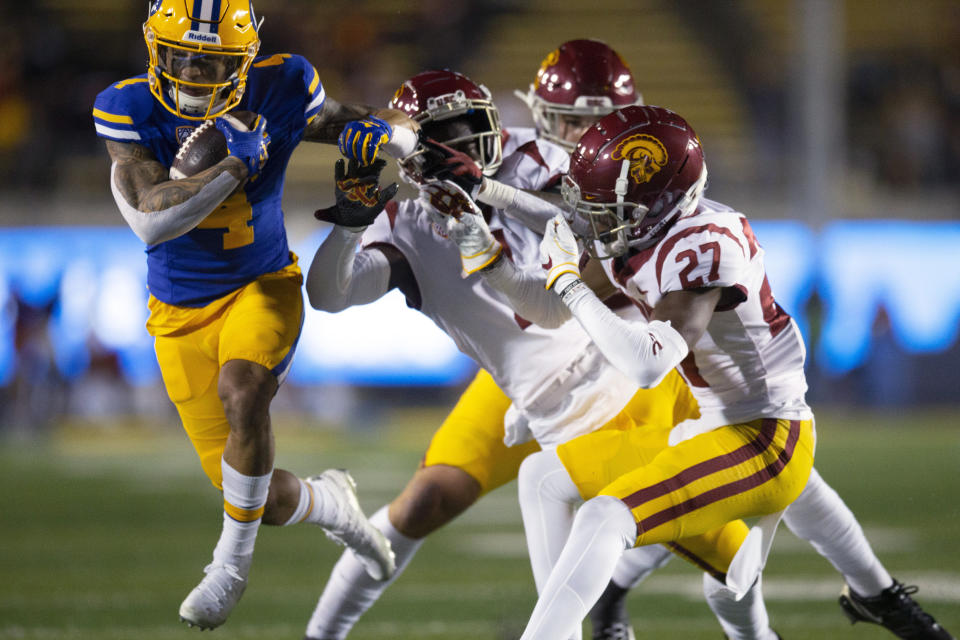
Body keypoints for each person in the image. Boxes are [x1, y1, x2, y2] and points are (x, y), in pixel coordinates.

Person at [440, 103, 954, 640]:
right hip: (705, 418)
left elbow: (646, 363)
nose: (592, 220)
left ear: (658, 204)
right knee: (543, 477)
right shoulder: (645, 227)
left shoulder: (700, 248)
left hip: (762, 434)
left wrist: (567, 278)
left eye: (606, 208)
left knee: (607, 518)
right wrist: (488, 209)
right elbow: (556, 273)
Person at [303, 69, 776, 640]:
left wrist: (485, 187)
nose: (456, 142)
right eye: (439, 133)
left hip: (618, 370)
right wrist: (351, 227)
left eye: (464, 126)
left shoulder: (542, 156)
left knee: (716, 544)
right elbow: (329, 296)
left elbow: (589, 219)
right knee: (427, 499)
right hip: (525, 389)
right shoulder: (404, 223)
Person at [91, 0, 420, 629]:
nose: (194, 72)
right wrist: (234, 164)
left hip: (261, 283)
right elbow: (153, 219)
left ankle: (229, 567)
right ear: (154, 50)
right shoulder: (126, 108)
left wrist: (391, 137)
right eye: (183, 55)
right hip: (178, 310)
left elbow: (340, 120)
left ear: (244, 59)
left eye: (213, 60)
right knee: (258, 497)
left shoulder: (283, 82)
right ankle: (333, 503)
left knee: (245, 394)